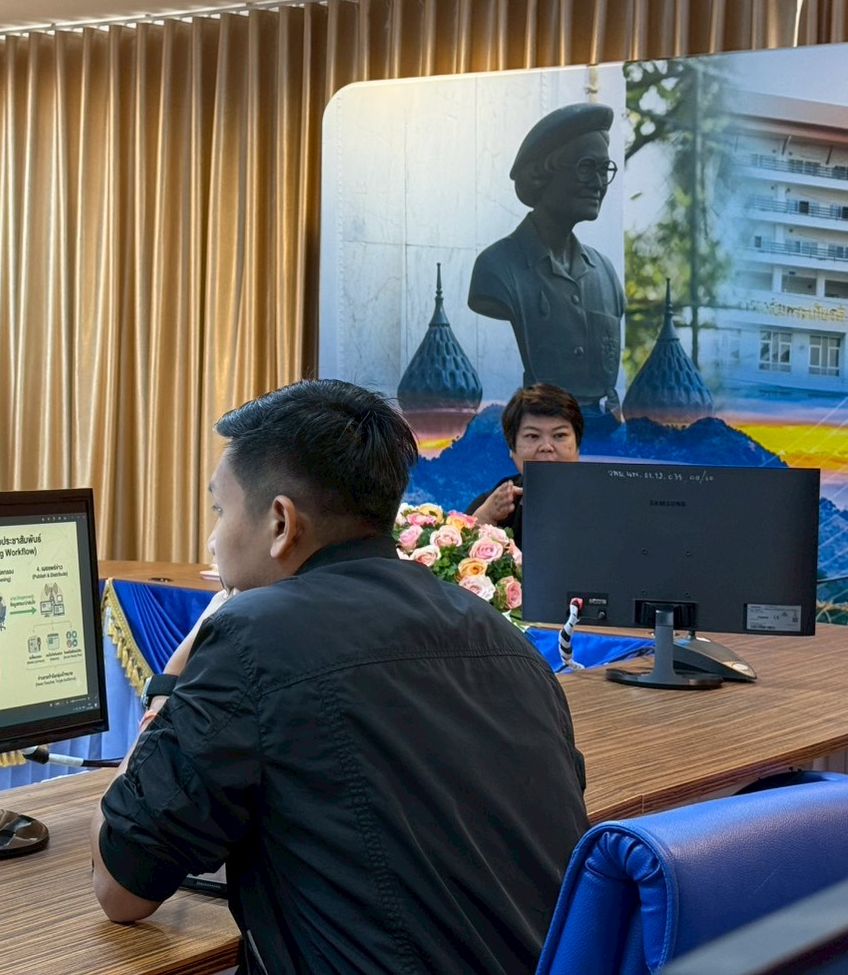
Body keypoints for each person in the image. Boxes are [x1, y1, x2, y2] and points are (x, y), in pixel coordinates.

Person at [91, 379, 589, 974]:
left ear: (281, 522)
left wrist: (184, 662)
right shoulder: (504, 640)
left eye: (221, 512)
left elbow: (120, 886)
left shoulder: (253, 638)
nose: (213, 542)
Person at [468, 102, 625, 414]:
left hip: (602, 432)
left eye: (604, 170)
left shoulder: (605, 273)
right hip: (541, 427)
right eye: (586, 167)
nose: (598, 183)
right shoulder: (497, 268)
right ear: (541, 174)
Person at [466, 383, 584, 548]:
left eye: (559, 435)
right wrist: (486, 518)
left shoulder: (610, 499)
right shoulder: (491, 505)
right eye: (533, 436)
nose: (546, 447)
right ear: (512, 447)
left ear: (578, 444)